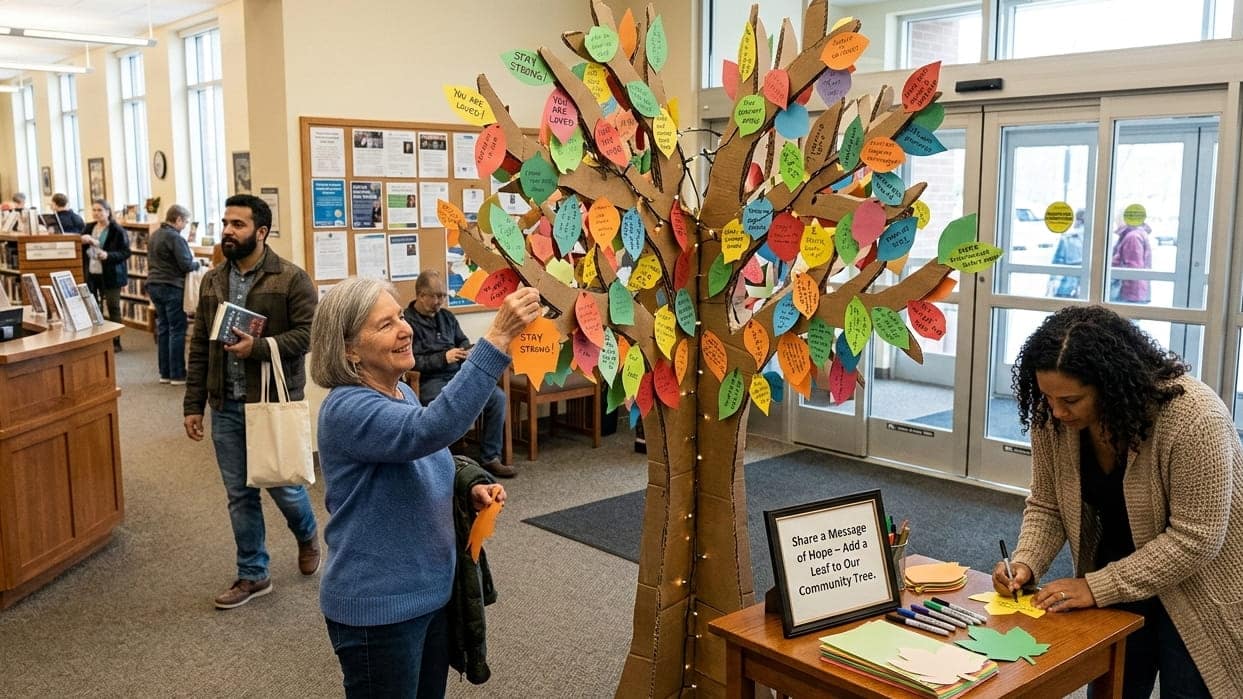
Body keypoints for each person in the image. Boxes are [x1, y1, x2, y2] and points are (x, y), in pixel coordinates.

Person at [996, 306, 1242, 698]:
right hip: (1118, 575)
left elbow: (1197, 538)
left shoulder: (1194, 417)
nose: (1057, 411)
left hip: (1199, 586)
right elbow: (1048, 504)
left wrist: (1096, 587)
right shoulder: (1053, 414)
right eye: (1048, 397)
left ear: (1111, 384)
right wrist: (1025, 561)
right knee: (1116, 688)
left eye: (1071, 400)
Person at [311, 277, 540, 696]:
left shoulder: (397, 391)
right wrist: (499, 335)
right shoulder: (347, 407)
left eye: (400, 315)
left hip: (429, 593)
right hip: (380, 608)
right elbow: (431, 430)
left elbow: (419, 456)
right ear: (348, 349)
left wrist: (462, 487)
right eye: (385, 325)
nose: (405, 328)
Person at [183, 194, 320, 609]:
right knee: (239, 494)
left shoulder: (291, 279)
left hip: (272, 403)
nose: (228, 230)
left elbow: (309, 334)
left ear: (261, 232)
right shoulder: (213, 281)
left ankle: (307, 533)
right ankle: (253, 574)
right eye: (226, 222)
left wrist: (258, 348)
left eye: (238, 224)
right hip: (226, 404)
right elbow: (200, 348)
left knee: (284, 489)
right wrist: (193, 405)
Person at [404, 269, 514, 478]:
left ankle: (490, 457)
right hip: (428, 380)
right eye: (435, 296)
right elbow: (411, 362)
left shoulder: (446, 316)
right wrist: (443, 358)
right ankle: (447, 461)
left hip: (456, 373)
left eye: (443, 296)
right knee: (443, 402)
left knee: (497, 398)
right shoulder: (407, 322)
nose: (439, 301)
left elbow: (461, 340)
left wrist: (467, 349)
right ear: (420, 295)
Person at [147, 205, 202, 385]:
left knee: (163, 328)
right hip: (171, 286)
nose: (185, 225)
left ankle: (165, 373)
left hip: (154, 285)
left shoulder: (154, 235)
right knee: (177, 330)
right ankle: (177, 374)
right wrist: (198, 264)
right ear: (178, 219)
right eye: (185, 221)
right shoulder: (175, 238)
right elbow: (185, 264)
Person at [80, 198, 131, 351]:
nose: (96, 213)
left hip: (111, 274)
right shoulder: (88, 227)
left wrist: (108, 255)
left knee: (113, 306)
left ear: (108, 212)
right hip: (92, 272)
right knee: (94, 306)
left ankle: (116, 341)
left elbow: (125, 252)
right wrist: (80, 240)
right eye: (94, 210)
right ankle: (99, 339)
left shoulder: (117, 230)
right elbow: (79, 248)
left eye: (100, 210)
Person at [1110, 221, 1152, 303]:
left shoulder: (1133, 237)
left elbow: (1133, 267)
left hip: (1130, 292)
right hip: (1135, 291)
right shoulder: (1136, 234)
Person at [1047, 209, 1083, 299]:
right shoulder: (1103, 239)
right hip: (1087, 289)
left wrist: (1052, 283)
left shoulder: (1068, 238)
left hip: (1067, 288)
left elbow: (1058, 262)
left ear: (1078, 221)